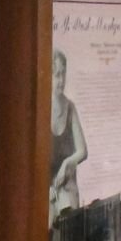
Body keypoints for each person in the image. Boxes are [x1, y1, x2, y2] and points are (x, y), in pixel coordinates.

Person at [49, 50, 89, 221]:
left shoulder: (70, 108)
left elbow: (83, 151)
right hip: (47, 186)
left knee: (72, 224)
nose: (61, 81)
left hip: (67, 184)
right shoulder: (40, 109)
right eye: (57, 75)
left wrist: (67, 163)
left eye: (63, 74)